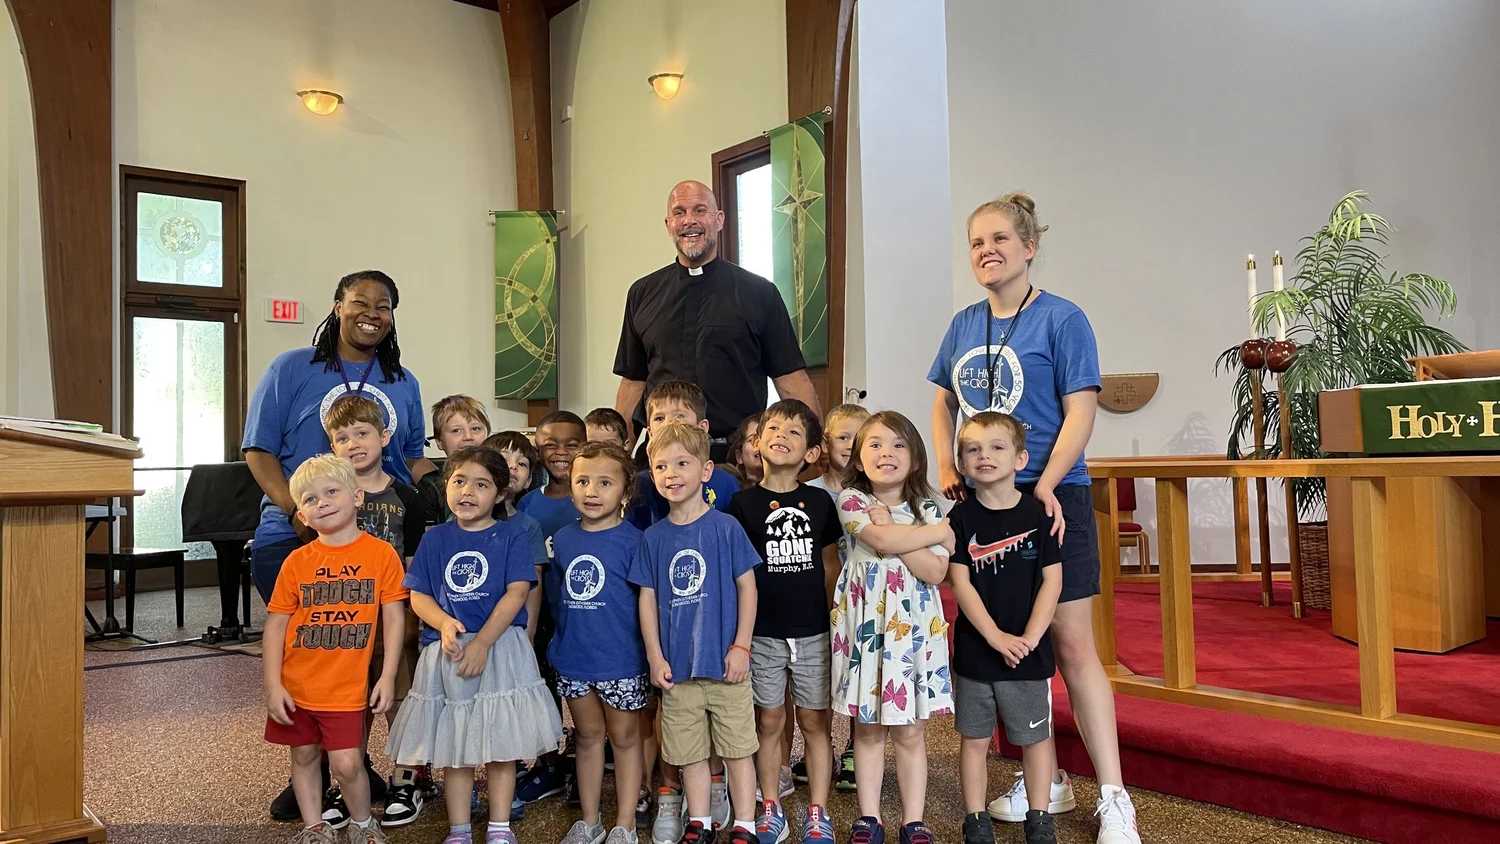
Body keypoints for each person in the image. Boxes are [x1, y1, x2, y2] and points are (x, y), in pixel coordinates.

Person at [928, 194, 1138, 844]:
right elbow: (941, 399)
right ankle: (1046, 781)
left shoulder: (1062, 318)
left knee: (1071, 645)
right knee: (1008, 644)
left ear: (1028, 246)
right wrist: (945, 463)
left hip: (1052, 497)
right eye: (975, 242)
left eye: (998, 239)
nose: (986, 250)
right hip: (982, 505)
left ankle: (1114, 797)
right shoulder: (964, 322)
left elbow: (1080, 410)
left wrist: (1043, 482)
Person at [244, 270, 434, 820]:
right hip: (294, 535)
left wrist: (439, 485)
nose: (372, 311)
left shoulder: (403, 379)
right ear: (337, 306)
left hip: (379, 537)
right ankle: (319, 766)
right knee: (316, 653)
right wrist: (295, 512)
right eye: (359, 302)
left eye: (384, 305)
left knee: (377, 660)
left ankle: (360, 763)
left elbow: (411, 454)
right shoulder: (292, 368)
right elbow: (258, 450)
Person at [385, 447, 565, 844]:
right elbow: (419, 596)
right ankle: (460, 828)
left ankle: (499, 826)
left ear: (500, 494)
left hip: (499, 649)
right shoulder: (436, 540)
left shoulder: (512, 536)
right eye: (459, 481)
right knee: (455, 746)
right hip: (448, 654)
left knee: (502, 746)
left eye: (481, 484)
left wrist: (483, 641)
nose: (468, 491)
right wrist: (445, 623)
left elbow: (517, 592)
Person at [613, 180, 821, 460]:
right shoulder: (642, 293)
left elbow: (790, 377)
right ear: (668, 224)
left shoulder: (759, 293)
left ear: (719, 220)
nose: (689, 221)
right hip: (661, 458)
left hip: (739, 457)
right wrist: (617, 452)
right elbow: (633, 382)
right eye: (679, 212)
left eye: (700, 211)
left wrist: (816, 446)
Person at [262, 454, 409, 844]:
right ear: (303, 517)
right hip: (298, 685)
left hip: (345, 687)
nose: (322, 502)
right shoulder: (296, 562)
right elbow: (276, 626)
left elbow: (394, 619)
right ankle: (314, 827)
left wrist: (389, 674)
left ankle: (363, 823)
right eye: (309, 499)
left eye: (331, 492)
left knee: (347, 762)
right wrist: (273, 685)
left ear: (357, 497)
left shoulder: (381, 555)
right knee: (305, 756)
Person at [628, 422, 761, 844]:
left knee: (738, 750)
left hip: (726, 666)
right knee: (690, 754)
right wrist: (654, 656)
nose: (672, 474)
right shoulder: (652, 537)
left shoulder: (725, 527)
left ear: (705, 471)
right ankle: (699, 822)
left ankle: (745, 823)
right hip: (677, 670)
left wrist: (741, 646)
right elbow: (646, 600)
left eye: (682, 463)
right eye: (661, 466)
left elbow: (748, 588)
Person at [831, 411, 953, 844]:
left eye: (899, 444)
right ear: (860, 460)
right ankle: (869, 817)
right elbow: (880, 543)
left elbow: (936, 573)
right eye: (876, 445)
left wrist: (902, 528)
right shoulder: (851, 501)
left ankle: (913, 819)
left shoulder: (930, 506)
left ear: (915, 458)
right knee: (867, 727)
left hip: (913, 630)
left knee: (910, 728)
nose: (887, 453)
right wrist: (928, 534)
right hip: (868, 626)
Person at [724, 400, 842, 844]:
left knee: (815, 722)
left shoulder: (819, 502)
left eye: (795, 433)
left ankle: (818, 810)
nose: (783, 436)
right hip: (763, 633)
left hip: (812, 631)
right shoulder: (741, 504)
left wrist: (833, 621)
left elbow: (830, 566)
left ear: (812, 452)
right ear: (757, 443)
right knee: (769, 721)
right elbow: (737, 575)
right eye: (774, 428)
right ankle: (769, 804)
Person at [946, 413, 1064, 844]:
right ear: (961, 461)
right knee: (974, 739)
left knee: (1035, 739)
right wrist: (995, 637)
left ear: (1020, 457)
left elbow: (1052, 580)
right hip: (979, 650)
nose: (984, 456)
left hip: (1029, 652)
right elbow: (960, 582)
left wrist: (1031, 637)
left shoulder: (1040, 511)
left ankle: (1040, 815)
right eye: (973, 448)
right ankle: (975, 818)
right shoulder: (960, 518)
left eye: (997, 447)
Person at [324, 395, 434, 826]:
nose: (353, 443)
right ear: (332, 446)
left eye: (362, 433)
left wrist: (411, 621)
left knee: (399, 699)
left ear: (384, 436)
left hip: (394, 618)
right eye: (342, 437)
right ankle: (346, 782)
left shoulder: (406, 496)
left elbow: (413, 568)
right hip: (343, 621)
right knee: (350, 703)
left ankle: (408, 780)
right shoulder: (330, 495)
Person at [551, 442, 649, 844]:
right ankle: (589, 821)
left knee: (625, 740)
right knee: (588, 738)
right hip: (575, 658)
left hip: (622, 661)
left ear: (625, 492)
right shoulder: (563, 539)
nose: (592, 491)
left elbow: (647, 604)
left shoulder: (636, 541)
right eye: (583, 481)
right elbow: (559, 600)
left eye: (605, 482)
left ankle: (624, 823)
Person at [797, 403, 870, 793]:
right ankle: (816, 749)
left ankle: (856, 750)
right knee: (817, 680)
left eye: (861, 438)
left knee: (862, 677)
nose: (851, 445)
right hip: (817, 598)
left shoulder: (876, 494)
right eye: (843, 437)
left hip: (864, 602)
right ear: (825, 443)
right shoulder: (808, 493)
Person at [516, 411, 587, 805]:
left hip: (586, 617)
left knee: (584, 697)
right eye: (549, 445)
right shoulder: (528, 505)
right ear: (538, 451)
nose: (560, 453)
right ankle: (548, 765)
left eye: (571, 443)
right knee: (545, 694)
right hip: (543, 619)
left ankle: (580, 765)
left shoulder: (596, 495)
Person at [626, 381, 739, 529]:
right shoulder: (641, 485)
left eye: (679, 416)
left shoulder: (726, 483)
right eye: (660, 418)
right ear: (650, 433)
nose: (669, 424)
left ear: (702, 427)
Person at [422, 395, 494, 523]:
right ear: (439, 442)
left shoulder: (498, 478)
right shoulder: (430, 485)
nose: (468, 436)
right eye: (456, 430)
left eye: (475, 429)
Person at [724, 415, 763, 489]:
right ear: (739, 456)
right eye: (752, 440)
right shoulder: (729, 490)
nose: (759, 444)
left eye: (765, 439)